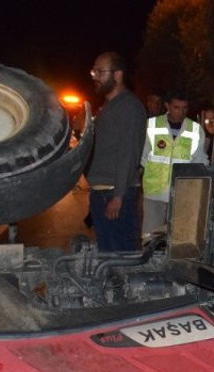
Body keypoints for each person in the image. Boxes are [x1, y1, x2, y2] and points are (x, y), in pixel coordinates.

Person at [83, 52, 146, 252]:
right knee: (109, 255)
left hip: (114, 194)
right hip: (103, 192)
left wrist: (118, 196)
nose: (95, 76)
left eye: (100, 72)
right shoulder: (109, 106)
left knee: (120, 255)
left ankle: (122, 285)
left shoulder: (128, 106)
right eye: (94, 71)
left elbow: (128, 153)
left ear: (117, 75)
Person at [141, 89, 207, 239]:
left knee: (179, 239)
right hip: (154, 194)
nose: (181, 112)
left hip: (182, 195)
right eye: (177, 107)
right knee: (149, 237)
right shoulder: (151, 125)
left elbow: (199, 161)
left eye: (184, 108)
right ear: (167, 106)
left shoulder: (196, 130)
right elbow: (143, 157)